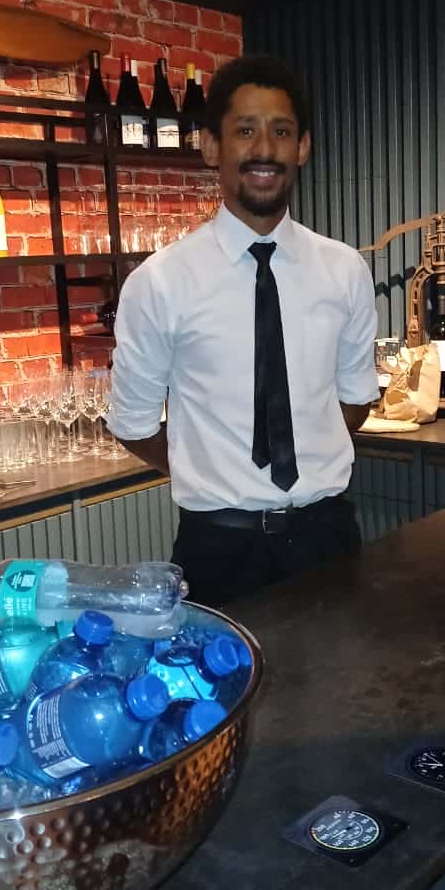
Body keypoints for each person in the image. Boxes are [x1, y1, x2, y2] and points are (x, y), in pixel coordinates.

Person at [106, 54, 378, 607]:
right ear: (212, 146)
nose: (265, 149)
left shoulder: (344, 269)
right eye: (246, 131)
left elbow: (354, 401)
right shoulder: (160, 282)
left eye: (282, 131)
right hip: (218, 551)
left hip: (328, 541)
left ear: (303, 147)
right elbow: (133, 425)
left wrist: (307, 451)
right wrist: (212, 471)